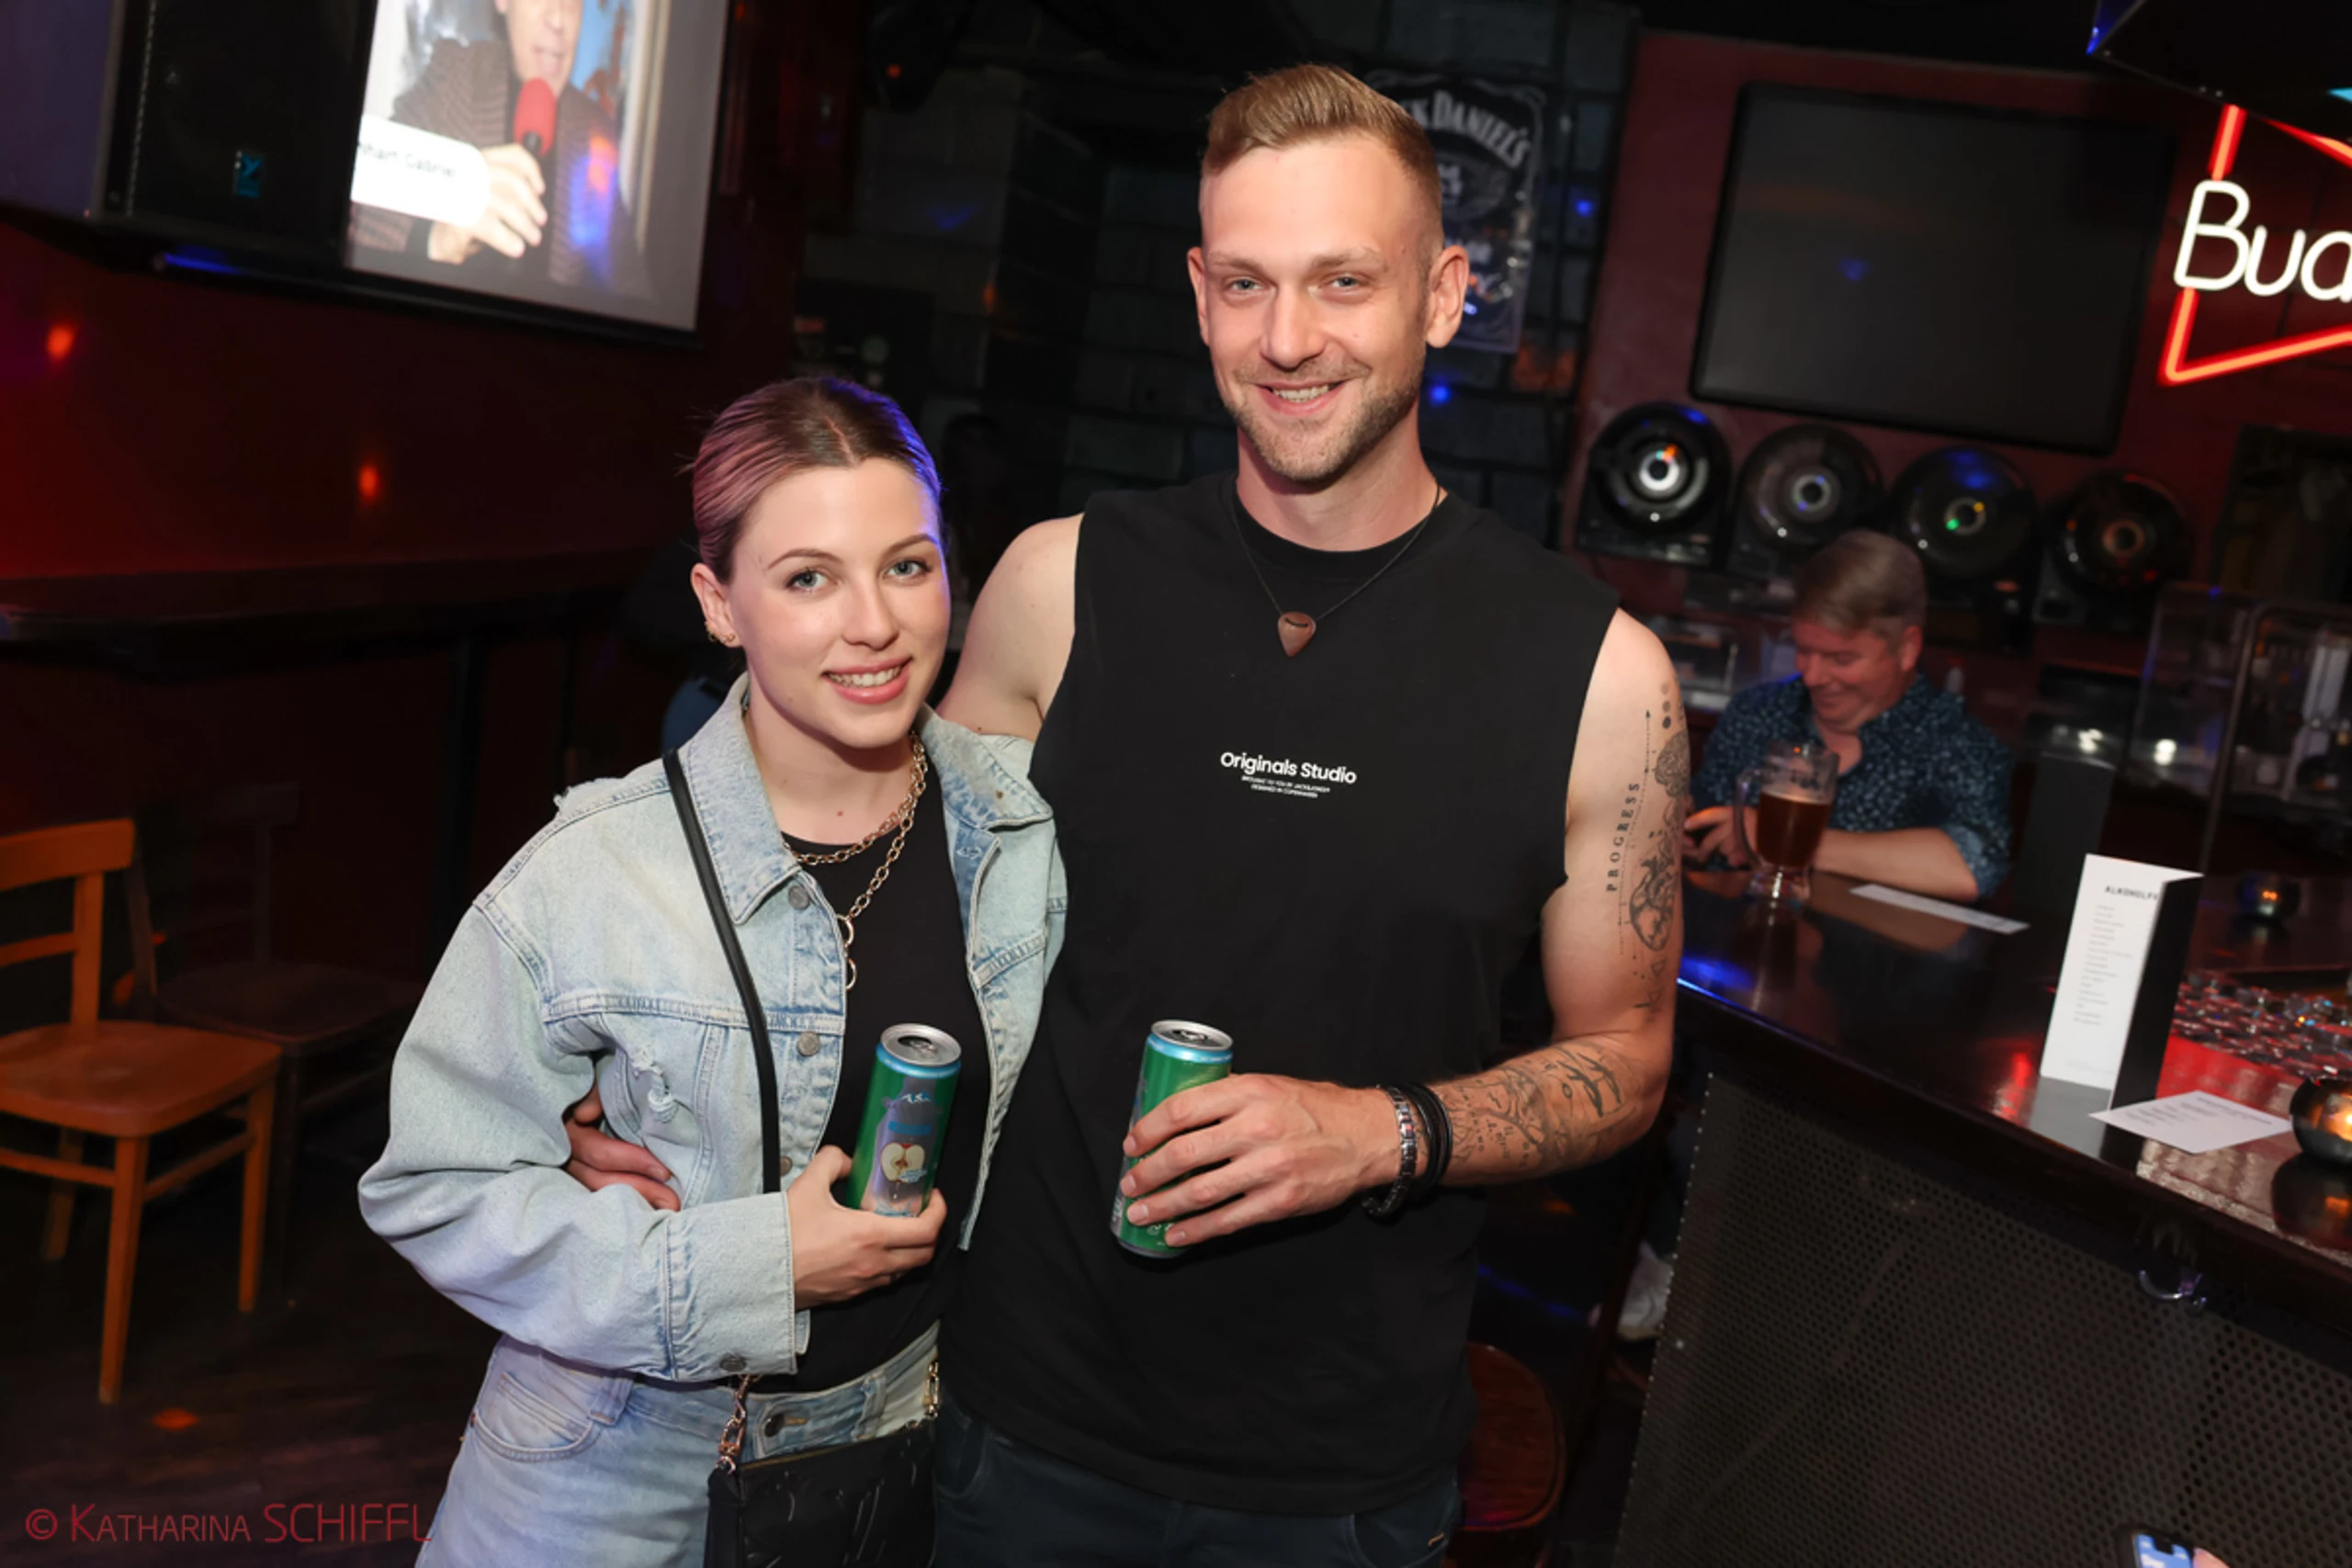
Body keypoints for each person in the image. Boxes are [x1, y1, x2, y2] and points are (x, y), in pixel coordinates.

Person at [572, 62, 1680, 1564]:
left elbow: (1625, 1060)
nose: (1288, 338)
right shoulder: (1060, 586)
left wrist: (1377, 1132)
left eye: (1344, 281)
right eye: (1248, 284)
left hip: (1339, 1472)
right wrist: (641, 1072)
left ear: (1442, 295)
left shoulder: (1601, 678)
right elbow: (879, 898)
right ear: (1200, 294)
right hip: (1020, 1416)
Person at [357, 377, 1060, 1568]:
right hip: (619, 1452)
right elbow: (434, 1183)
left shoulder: (1023, 835)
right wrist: (750, 1264)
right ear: (719, 604)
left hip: (900, 1436)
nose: (874, 623)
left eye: (907, 565)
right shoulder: (593, 871)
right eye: (808, 578)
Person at [1685, 529, 2014, 902]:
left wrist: (1784, 839)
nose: (1812, 676)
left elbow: (1973, 865)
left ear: (1907, 648)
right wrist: (1684, 835)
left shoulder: (1954, 739)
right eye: (1803, 650)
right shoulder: (1757, 712)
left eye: (1841, 659)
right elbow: (1703, 819)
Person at [350, 0, 648, 296]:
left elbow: (631, 285)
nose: (559, 20)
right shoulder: (451, 81)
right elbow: (358, 225)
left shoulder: (592, 128)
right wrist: (435, 244)